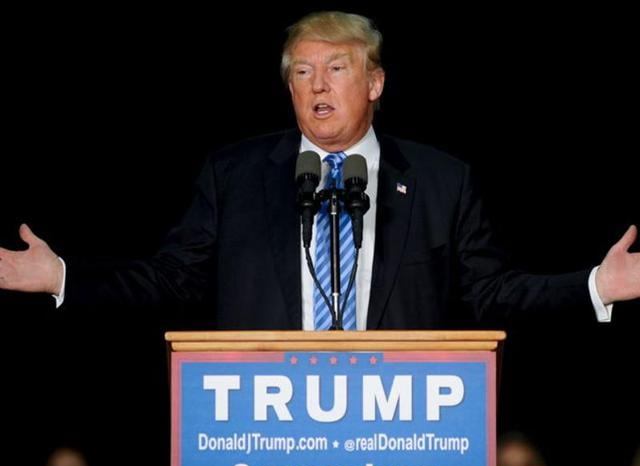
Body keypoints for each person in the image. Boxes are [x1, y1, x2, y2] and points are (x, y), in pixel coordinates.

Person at [0, 11, 638, 329]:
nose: (317, 84)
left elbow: (491, 293)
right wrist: (62, 275)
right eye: (301, 72)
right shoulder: (236, 175)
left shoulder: (444, 181)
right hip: (261, 427)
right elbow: (171, 279)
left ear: (376, 82)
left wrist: (594, 287)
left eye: (336, 68)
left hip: (400, 430)